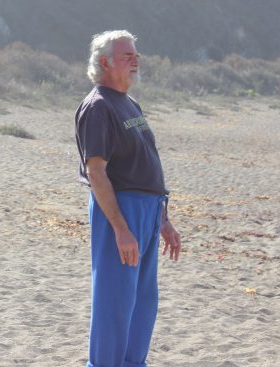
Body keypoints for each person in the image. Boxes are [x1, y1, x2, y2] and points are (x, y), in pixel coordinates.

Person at [75, 30, 182, 367]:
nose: (136, 60)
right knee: (115, 302)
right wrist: (121, 227)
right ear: (105, 62)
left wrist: (162, 220)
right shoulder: (98, 107)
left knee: (142, 302)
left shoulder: (128, 102)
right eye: (127, 55)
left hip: (148, 213)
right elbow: (96, 173)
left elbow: (143, 164)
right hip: (120, 211)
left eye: (136, 54)